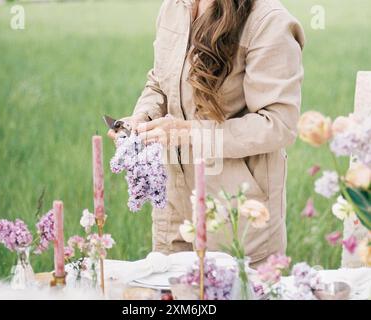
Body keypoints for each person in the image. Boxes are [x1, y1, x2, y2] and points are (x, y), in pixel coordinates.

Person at [108, 0, 305, 268]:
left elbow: (278, 125)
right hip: (173, 207)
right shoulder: (174, 7)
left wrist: (190, 133)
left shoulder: (269, 21)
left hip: (236, 213)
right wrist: (143, 118)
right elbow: (159, 82)